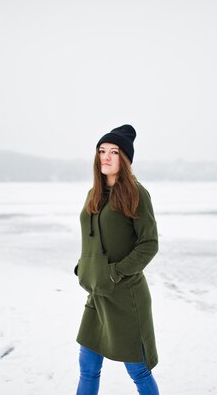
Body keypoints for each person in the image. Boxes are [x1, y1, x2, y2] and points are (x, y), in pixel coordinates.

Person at [74, 124, 160, 395]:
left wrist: (115, 272)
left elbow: (149, 244)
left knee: (138, 370)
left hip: (125, 295)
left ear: (124, 159)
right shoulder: (94, 194)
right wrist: (84, 268)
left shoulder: (135, 193)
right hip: (97, 294)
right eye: (102, 151)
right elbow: (92, 239)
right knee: (87, 366)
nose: (106, 157)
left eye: (113, 152)